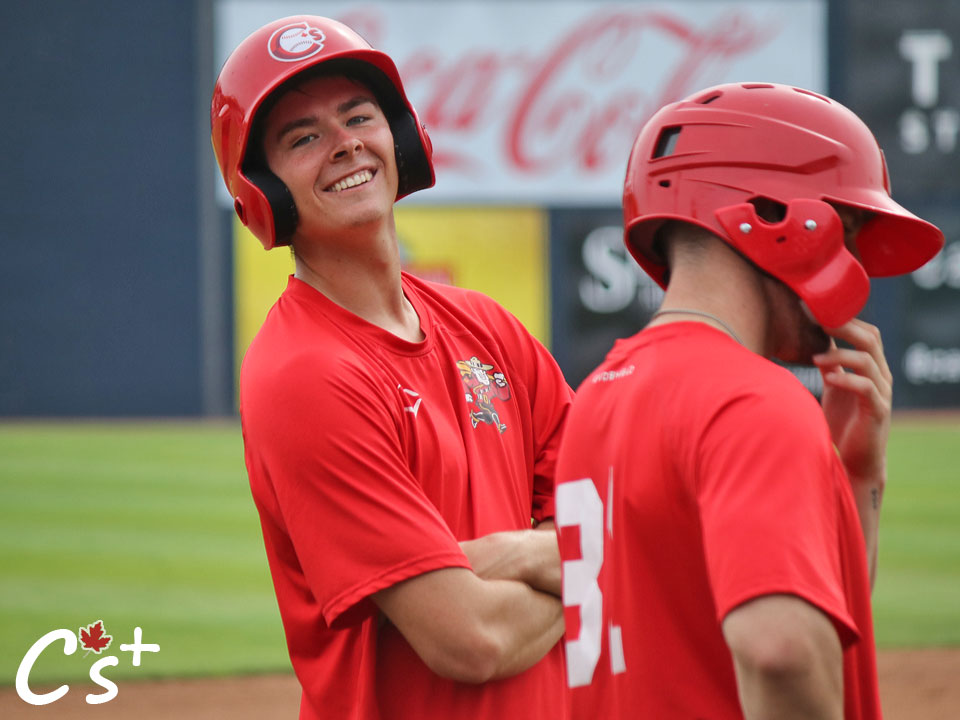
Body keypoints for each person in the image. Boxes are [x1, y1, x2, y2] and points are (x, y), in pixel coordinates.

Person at [210, 15, 572, 720]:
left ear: (398, 136)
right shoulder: (303, 375)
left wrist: (498, 554)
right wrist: (585, 564)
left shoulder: (488, 327)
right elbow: (472, 640)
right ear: (261, 187)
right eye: (304, 137)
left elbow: (622, 513)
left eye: (359, 116)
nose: (345, 144)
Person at [553, 82, 944, 719]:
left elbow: (813, 621)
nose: (856, 270)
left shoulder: (600, 395)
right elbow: (782, 651)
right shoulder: (754, 400)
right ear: (771, 218)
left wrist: (855, 473)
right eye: (844, 232)